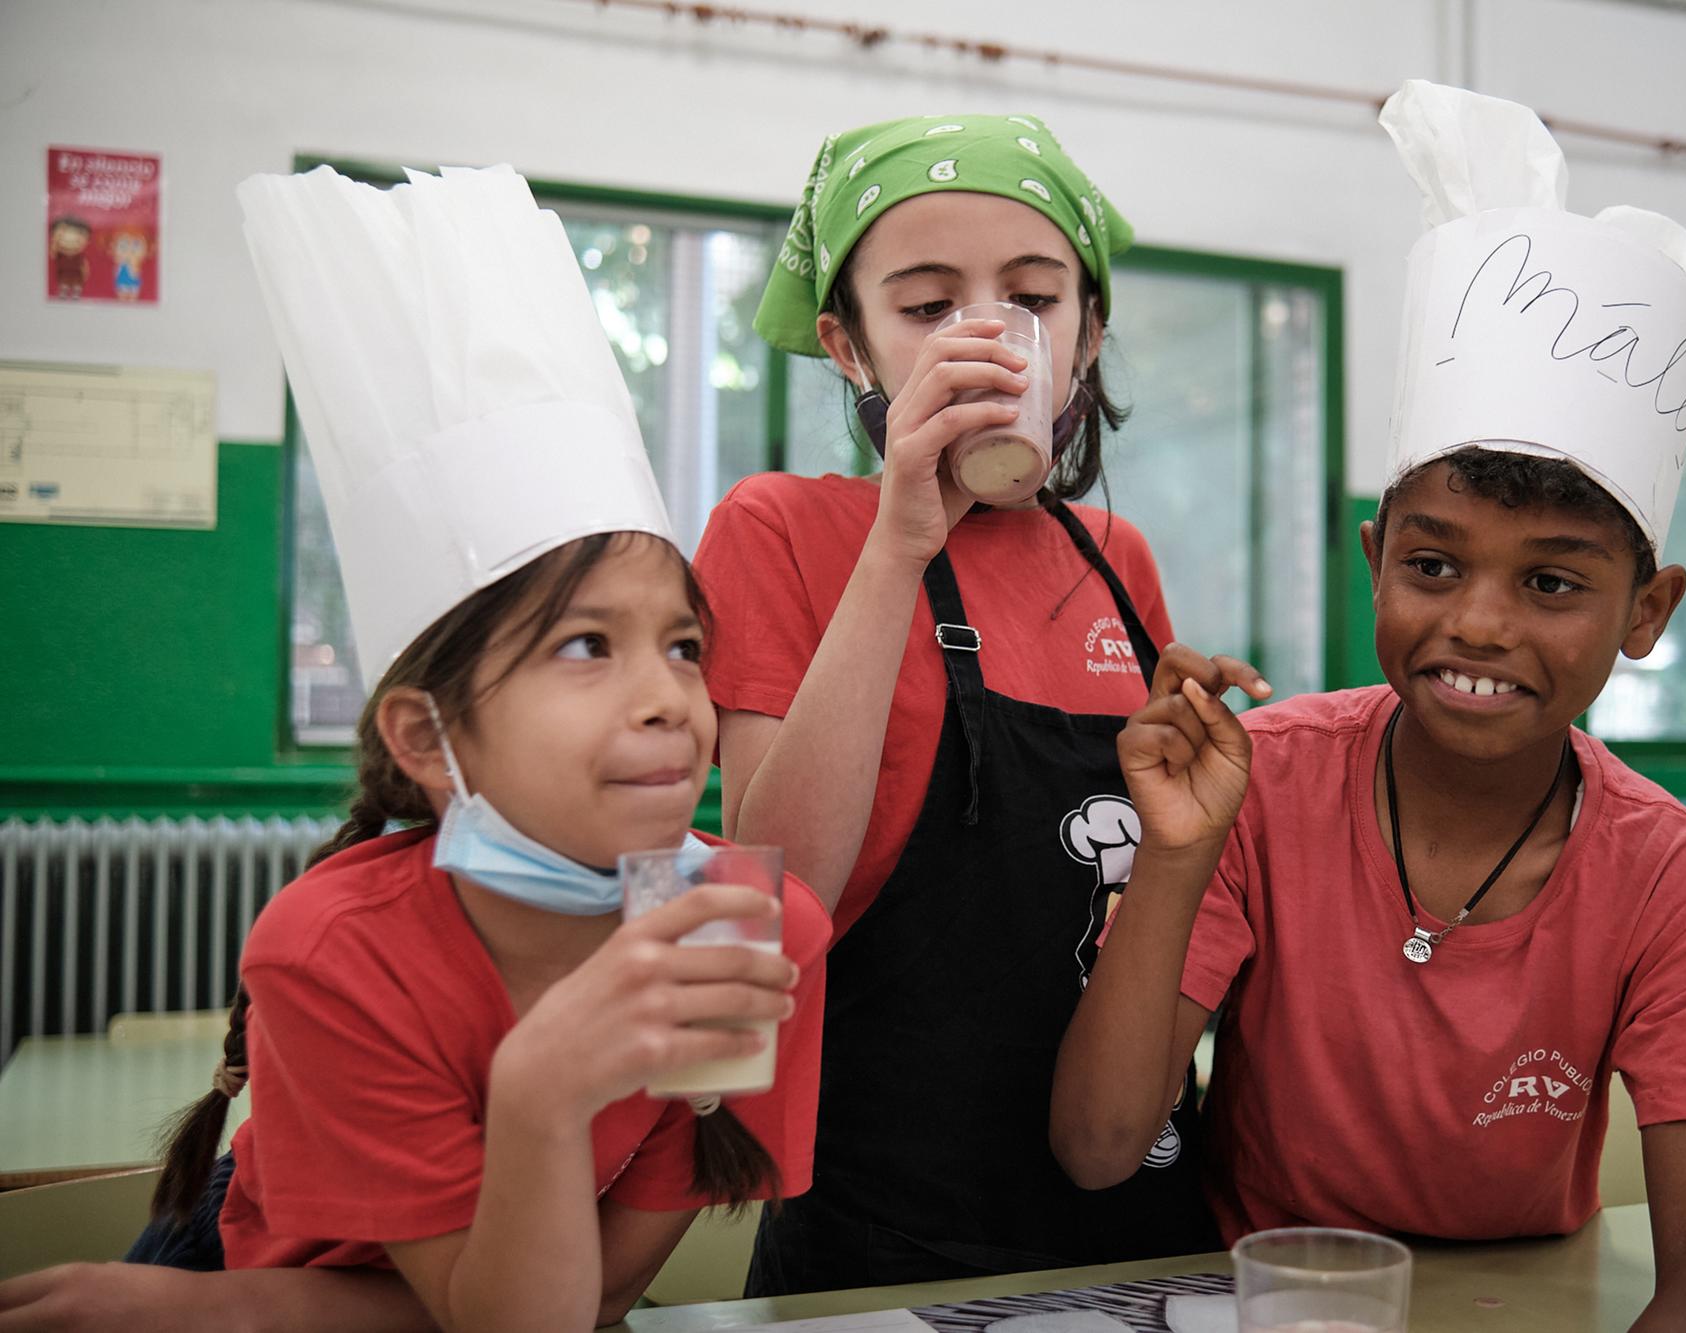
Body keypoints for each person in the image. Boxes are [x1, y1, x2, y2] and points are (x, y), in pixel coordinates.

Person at [0, 164, 827, 1333]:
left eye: (685, 645)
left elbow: (576, 1305)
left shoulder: (751, 928)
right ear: (426, 738)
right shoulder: (338, 950)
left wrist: (539, 1095)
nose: (671, 699)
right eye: (585, 645)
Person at [1052, 82, 1686, 1333]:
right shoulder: (1262, 781)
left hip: (1536, 1299)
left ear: (1644, 612)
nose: (1479, 624)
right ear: (1374, 557)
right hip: (1262, 1297)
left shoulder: (1673, 877)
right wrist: (1173, 853)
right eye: (1433, 564)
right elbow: (1100, 1146)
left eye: (1550, 581)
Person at [694, 113, 1251, 1293]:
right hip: (882, 1229)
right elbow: (776, 891)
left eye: (1034, 299)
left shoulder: (1118, 557)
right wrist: (899, 541)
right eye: (927, 305)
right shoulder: (781, 528)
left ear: (1087, 334)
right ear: (849, 347)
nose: (986, 335)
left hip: (1133, 1198)